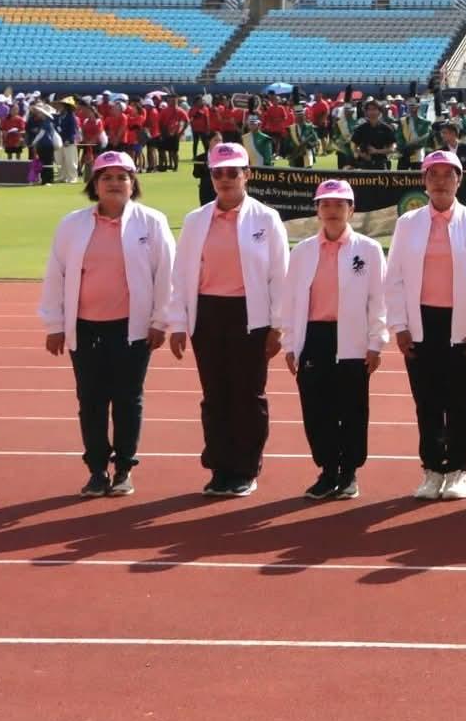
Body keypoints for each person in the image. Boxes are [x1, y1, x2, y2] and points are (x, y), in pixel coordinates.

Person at [38, 151, 175, 497]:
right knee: (91, 401)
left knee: (128, 400)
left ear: (133, 183)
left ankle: (124, 468)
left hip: (132, 328)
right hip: (85, 328)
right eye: (106, 178)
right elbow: (56, 274)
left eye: (121, 177)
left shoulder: (152, 222)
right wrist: (55, 324)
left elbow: (166, 275)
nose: (114, 183)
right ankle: (97, 470)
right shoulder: (72, 224)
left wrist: (161, 320)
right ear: (94, 184)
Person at [162, 142, 290, 498]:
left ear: (247, 174)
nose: (225, 179)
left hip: (251, 316)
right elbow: (181, 274)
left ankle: (246, 468)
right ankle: (220, 466)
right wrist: (178, 323)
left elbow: (280, 276)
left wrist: (278, 326)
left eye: (233, 172)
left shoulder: (267, 218)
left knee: (248, 395)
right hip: (207, 315)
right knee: (215, 395)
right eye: (218, 173)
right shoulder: (196, 220)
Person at [383, 149, 466, 501]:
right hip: (421, 323)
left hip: (463, 325)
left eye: (449, 174)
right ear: (424, 180)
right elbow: (394, 277)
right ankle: (432, 469)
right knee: (427, 400)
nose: (441, 181)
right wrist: (400, 325)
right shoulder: (408, 223)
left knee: (460, 400)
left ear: (460, 180)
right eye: (434, 174)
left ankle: (458, 470)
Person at [279, 180, 387, 500]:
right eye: (325, 204)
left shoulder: (368, 250)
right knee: (317, 409)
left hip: (352, 337)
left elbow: (379, 300)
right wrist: (290, 344)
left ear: (351, 210)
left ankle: (349, 472)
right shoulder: (302, 251)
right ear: (317, 210)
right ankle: (328, 471)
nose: (332, 211)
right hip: (314, 337)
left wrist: (376, 342)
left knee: (352, 409)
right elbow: (290, 301)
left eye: (339, 205)